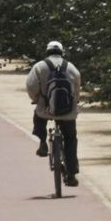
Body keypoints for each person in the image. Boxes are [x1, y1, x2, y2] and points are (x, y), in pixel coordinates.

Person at [26, 40, 82, 188]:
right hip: (68, 112)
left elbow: (31, 86)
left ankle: (43, 141)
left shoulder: (39, 67)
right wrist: (74, 102)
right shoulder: (71, 67)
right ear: (62, 52)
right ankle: (71, 173)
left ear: (47, 51)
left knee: (38, 118)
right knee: (70, 138)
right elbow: (76, 90)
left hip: (45, 110)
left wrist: (37, 99)